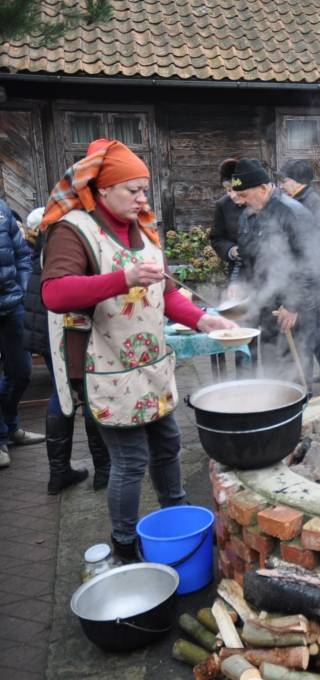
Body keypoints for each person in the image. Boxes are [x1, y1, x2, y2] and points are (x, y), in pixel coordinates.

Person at [40, 139, 235, 559]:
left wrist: (204, 319)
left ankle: (178, 516)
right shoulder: (75, 230)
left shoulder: (142, 229)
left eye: (144, 188)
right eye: (133, 189)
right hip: (106, 367)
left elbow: (165, 292)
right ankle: (125, 543)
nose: (143, 197)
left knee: (168, 446)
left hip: (151, 364)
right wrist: (123, 278)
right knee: (129, 462)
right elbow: (54, 294)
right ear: (104, 189)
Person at [22, 207, 109, 492]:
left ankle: (60, 473)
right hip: (64, 323)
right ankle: (104, 471)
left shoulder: (55, 222)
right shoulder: (76, 226)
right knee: (89, 392)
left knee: (62, 395)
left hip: (42, 318)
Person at [232, 160, 320, 381]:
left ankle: (301, 411)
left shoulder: (293, 212)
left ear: (263, 188)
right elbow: (247, 257)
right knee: (272, 363)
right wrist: (238, 283)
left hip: (294, 306)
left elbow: (311, 262)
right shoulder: (249, 214)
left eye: (244, 195)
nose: (239, 201)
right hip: (266, 303)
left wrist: (292, 305)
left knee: (293, 369)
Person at [276, 159, 320, 382]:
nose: (281, 186)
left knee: (307, 325)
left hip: (314, 275)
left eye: (284, 181)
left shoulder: (311, 205)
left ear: (297, 182)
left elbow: (319, 246)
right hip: (313, 274)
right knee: (313, 322)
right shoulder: (300, 200)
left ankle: (310, 377)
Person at [0, 201, 44, 470]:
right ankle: (2, 437)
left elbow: (21, 256)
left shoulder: (3, 210)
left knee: (21, 372)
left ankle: (11, 425)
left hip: (12, 304)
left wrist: (25, 291)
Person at [211, 158, 247, 281]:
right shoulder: (223, 205)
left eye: (234, 190)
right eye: (228, 190)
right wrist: (231, 250)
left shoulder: (258, 202)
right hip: (238, 270)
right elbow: (217, 238)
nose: (232, 195)